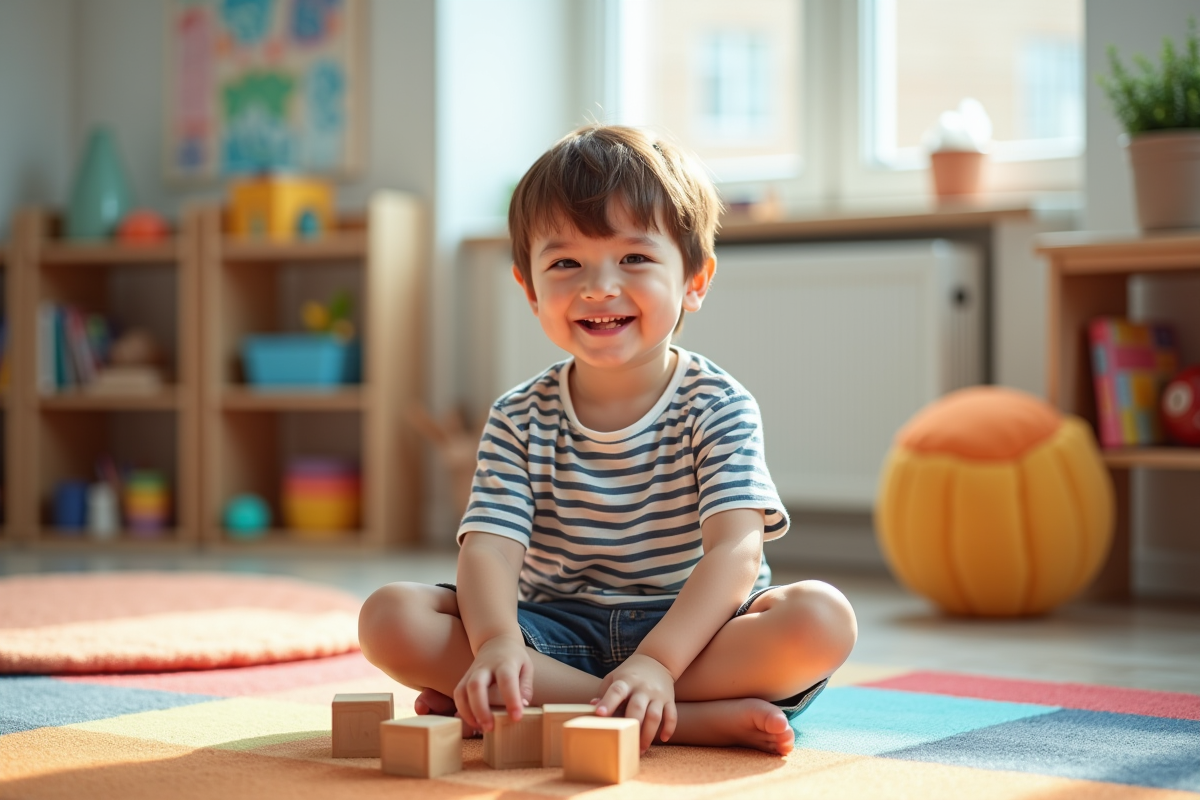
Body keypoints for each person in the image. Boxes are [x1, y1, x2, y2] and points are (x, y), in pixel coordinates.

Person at [359, 124, 858, 756]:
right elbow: (489, 550)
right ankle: (686, 721)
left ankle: (563, 705)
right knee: (389, 617)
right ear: (529, 289)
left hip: (696, 636)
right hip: (552, 629)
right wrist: (497, 646)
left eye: (635, 258)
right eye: (565, 262)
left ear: (695, 282)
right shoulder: (517, 417)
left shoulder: (719, 405)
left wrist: (659, 662)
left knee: (821, 619)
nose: (598, 286)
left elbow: (734, 552)